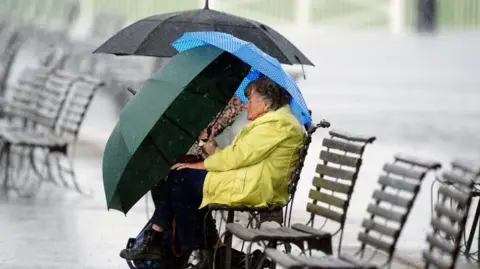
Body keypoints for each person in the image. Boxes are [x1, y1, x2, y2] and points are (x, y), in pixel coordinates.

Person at [119, 76, 304, 263]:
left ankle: (173, 244)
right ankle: (199, 249)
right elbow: (239, 156)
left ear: (266, 102)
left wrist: (200, 164)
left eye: (250, 100)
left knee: (180, 178)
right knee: (179, 178)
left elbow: (237, 157)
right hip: (250, 181)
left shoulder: (277, 125)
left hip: (254, 187)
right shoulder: (274, 122)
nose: (246, 105)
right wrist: (206, 147)